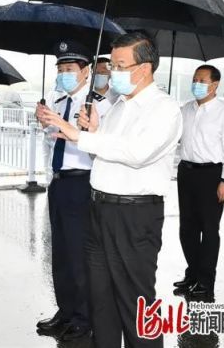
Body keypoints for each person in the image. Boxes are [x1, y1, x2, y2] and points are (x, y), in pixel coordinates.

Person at [40, 32, 182, 348]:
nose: (112, 72)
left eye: (119, 65)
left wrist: (80, 135)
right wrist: (93, 132)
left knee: (135, 303)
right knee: (101, 301)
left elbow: (137, 153)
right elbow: (102, 156)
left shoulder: (164, 109)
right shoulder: (118, 107)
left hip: (134, 215)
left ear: (143, 68)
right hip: (99, 210)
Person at [35, 41, 112, 341]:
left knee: (80, 254)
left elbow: (101, 149)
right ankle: (65, 311)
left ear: (85, 72)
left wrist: (85, 129)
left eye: (69, 69)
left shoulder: (98, 106)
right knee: (61, 253)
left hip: (82, 183)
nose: (63, 75)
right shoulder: (58, 101)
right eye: (60, 70)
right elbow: (53, 139)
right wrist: (43, 121)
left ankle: (83, 317)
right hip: (59, 182)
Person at [173, 65, 224, 299]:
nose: (196, 84)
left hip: (211, 175)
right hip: (186, 173)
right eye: (194, 79)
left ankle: (205, 282)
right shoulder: (185, 110)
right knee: (187, 229)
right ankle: (192, 275)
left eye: (202, 81)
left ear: (214, 85)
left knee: (209, 230)